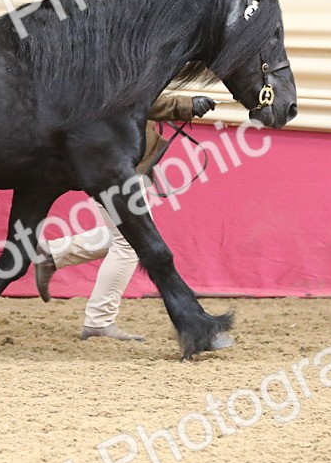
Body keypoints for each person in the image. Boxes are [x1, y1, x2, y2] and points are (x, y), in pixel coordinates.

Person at [34, 93, 216, 340]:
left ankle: (53, 254)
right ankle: (99, 320)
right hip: (111, 161)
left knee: (129, 236)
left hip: (114, 158)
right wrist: (184, 105)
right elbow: (134, 97)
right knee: (131, 243)